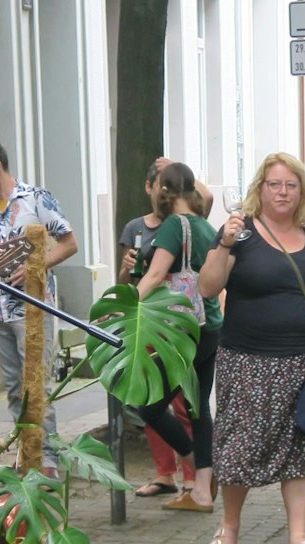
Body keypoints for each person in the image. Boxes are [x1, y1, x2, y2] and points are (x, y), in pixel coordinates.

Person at [198, 153, 305, 544]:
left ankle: (297, 540)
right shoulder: (239, 234)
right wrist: (224, 243)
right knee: (239, 445)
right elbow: (208, 288)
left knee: (299, 448)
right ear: (259, 189)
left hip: (301, 361)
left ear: (301, 191)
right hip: (247, 359)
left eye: (290, 185)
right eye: (274, 184)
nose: (282, 192)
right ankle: (229, 528)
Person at [0, 134, 77, 467]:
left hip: (33, 310)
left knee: (37, 388)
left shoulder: (35, 199)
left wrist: (37, 264)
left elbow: (69, 243)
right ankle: (27, 458)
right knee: (15, 391)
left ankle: (48, 465)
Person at [132, 162, 222, 520]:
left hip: (182, 330)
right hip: (210, 324)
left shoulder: (173, 226)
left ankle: (192, 462)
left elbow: (154, 276)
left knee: (149, 402)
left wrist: (125, 310)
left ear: (163, 189)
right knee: (199, 408)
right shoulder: (205, 226)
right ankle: (202, 488)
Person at [117, 162, 193, 500]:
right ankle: (165, 474)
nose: (162, 193)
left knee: (183, 402)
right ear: (148, 188)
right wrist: (124, 270)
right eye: (158, 186)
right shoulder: (134, 227)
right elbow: (127, 282)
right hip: (143, 322)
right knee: (147, 397)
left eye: (168, 187)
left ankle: (193, 475)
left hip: (174, 323)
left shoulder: (183, 225)